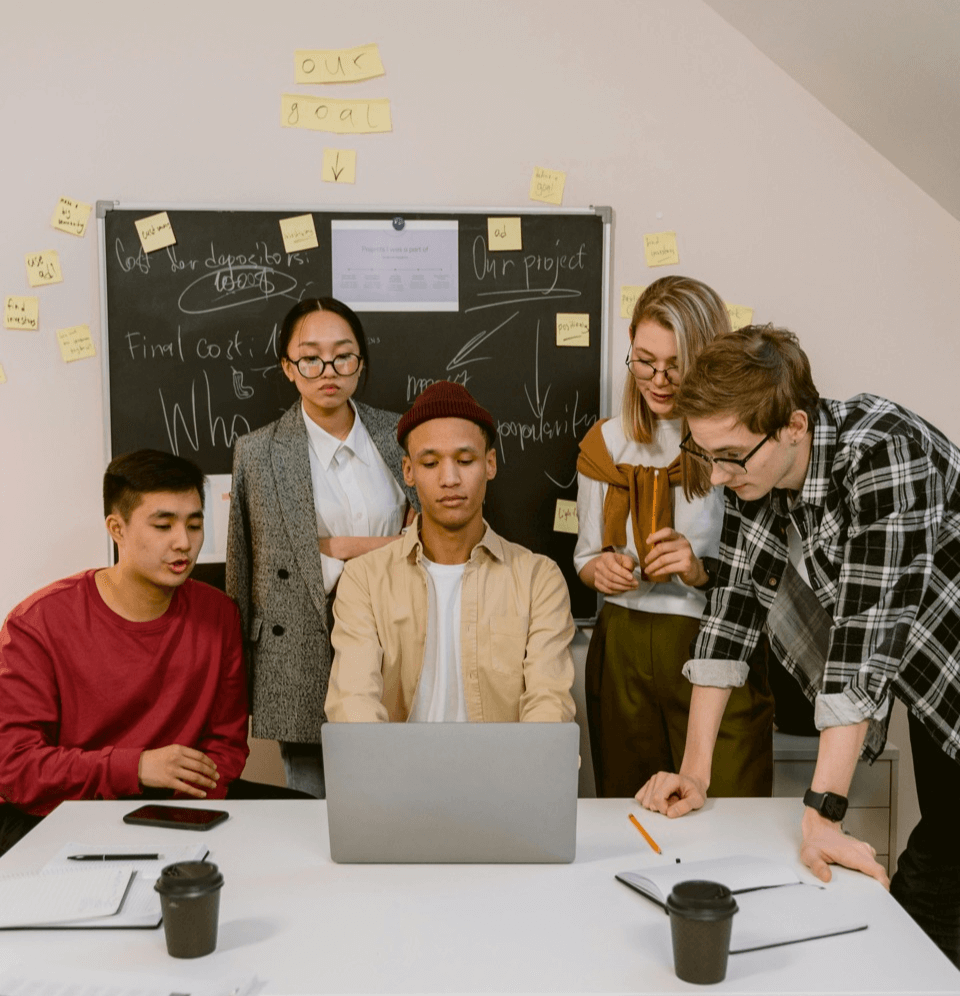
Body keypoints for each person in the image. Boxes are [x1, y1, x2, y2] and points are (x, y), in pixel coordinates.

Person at [635, 324, 960, 967]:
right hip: (931, 682)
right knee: (947, 856)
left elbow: (860, 646)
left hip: (937, 660)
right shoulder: (757, 474)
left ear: (794, 425)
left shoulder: (883, 452)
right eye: (705, 455)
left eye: (730, 455)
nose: (719, 474)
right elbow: (728, 619)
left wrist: (822, 814)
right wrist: (695, 773)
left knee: (941, 868)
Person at [575, 276, 774, 797]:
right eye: (645, 361)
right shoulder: (605, 443)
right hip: (621, 643)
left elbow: (768, 569)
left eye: (676, 364)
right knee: (631, 809)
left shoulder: (736, 443)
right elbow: (584, 557)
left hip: (714, 638)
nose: (659, 379)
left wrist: (697, 568)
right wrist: (600, 570)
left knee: (728, 810)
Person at [0, 450, 250, 855]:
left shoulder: (218, 615)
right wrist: (136, 767)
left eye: (195, 524)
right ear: (117, 528)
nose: (183, 543)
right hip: (54, 815)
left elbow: (225, 746)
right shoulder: (36, 624)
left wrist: (182, 821)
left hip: (172, 808)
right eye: (163, 525)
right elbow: (15, 768)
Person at [226, 297, 418, 797]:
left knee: (402, 799)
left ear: (362, 363)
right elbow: (249, 568)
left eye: (343, 355)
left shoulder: (403, 436)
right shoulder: (258, 451)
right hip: (300, 650)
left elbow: (434, 540)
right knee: (313, 810)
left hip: (399, 635)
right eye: (310, 357)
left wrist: (335, 544)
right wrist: (386, 544)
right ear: (288, 367)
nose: (327, 370)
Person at [324, 381, 576, 724]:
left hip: (500, 773)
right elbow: (354, 704)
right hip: (398, 772)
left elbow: (549, 706)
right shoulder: (365, 579)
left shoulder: (538, 579)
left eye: (465, 459)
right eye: (430, 464)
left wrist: (518, 774)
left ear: (490, 464)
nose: (450, 478)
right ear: (408, 472)